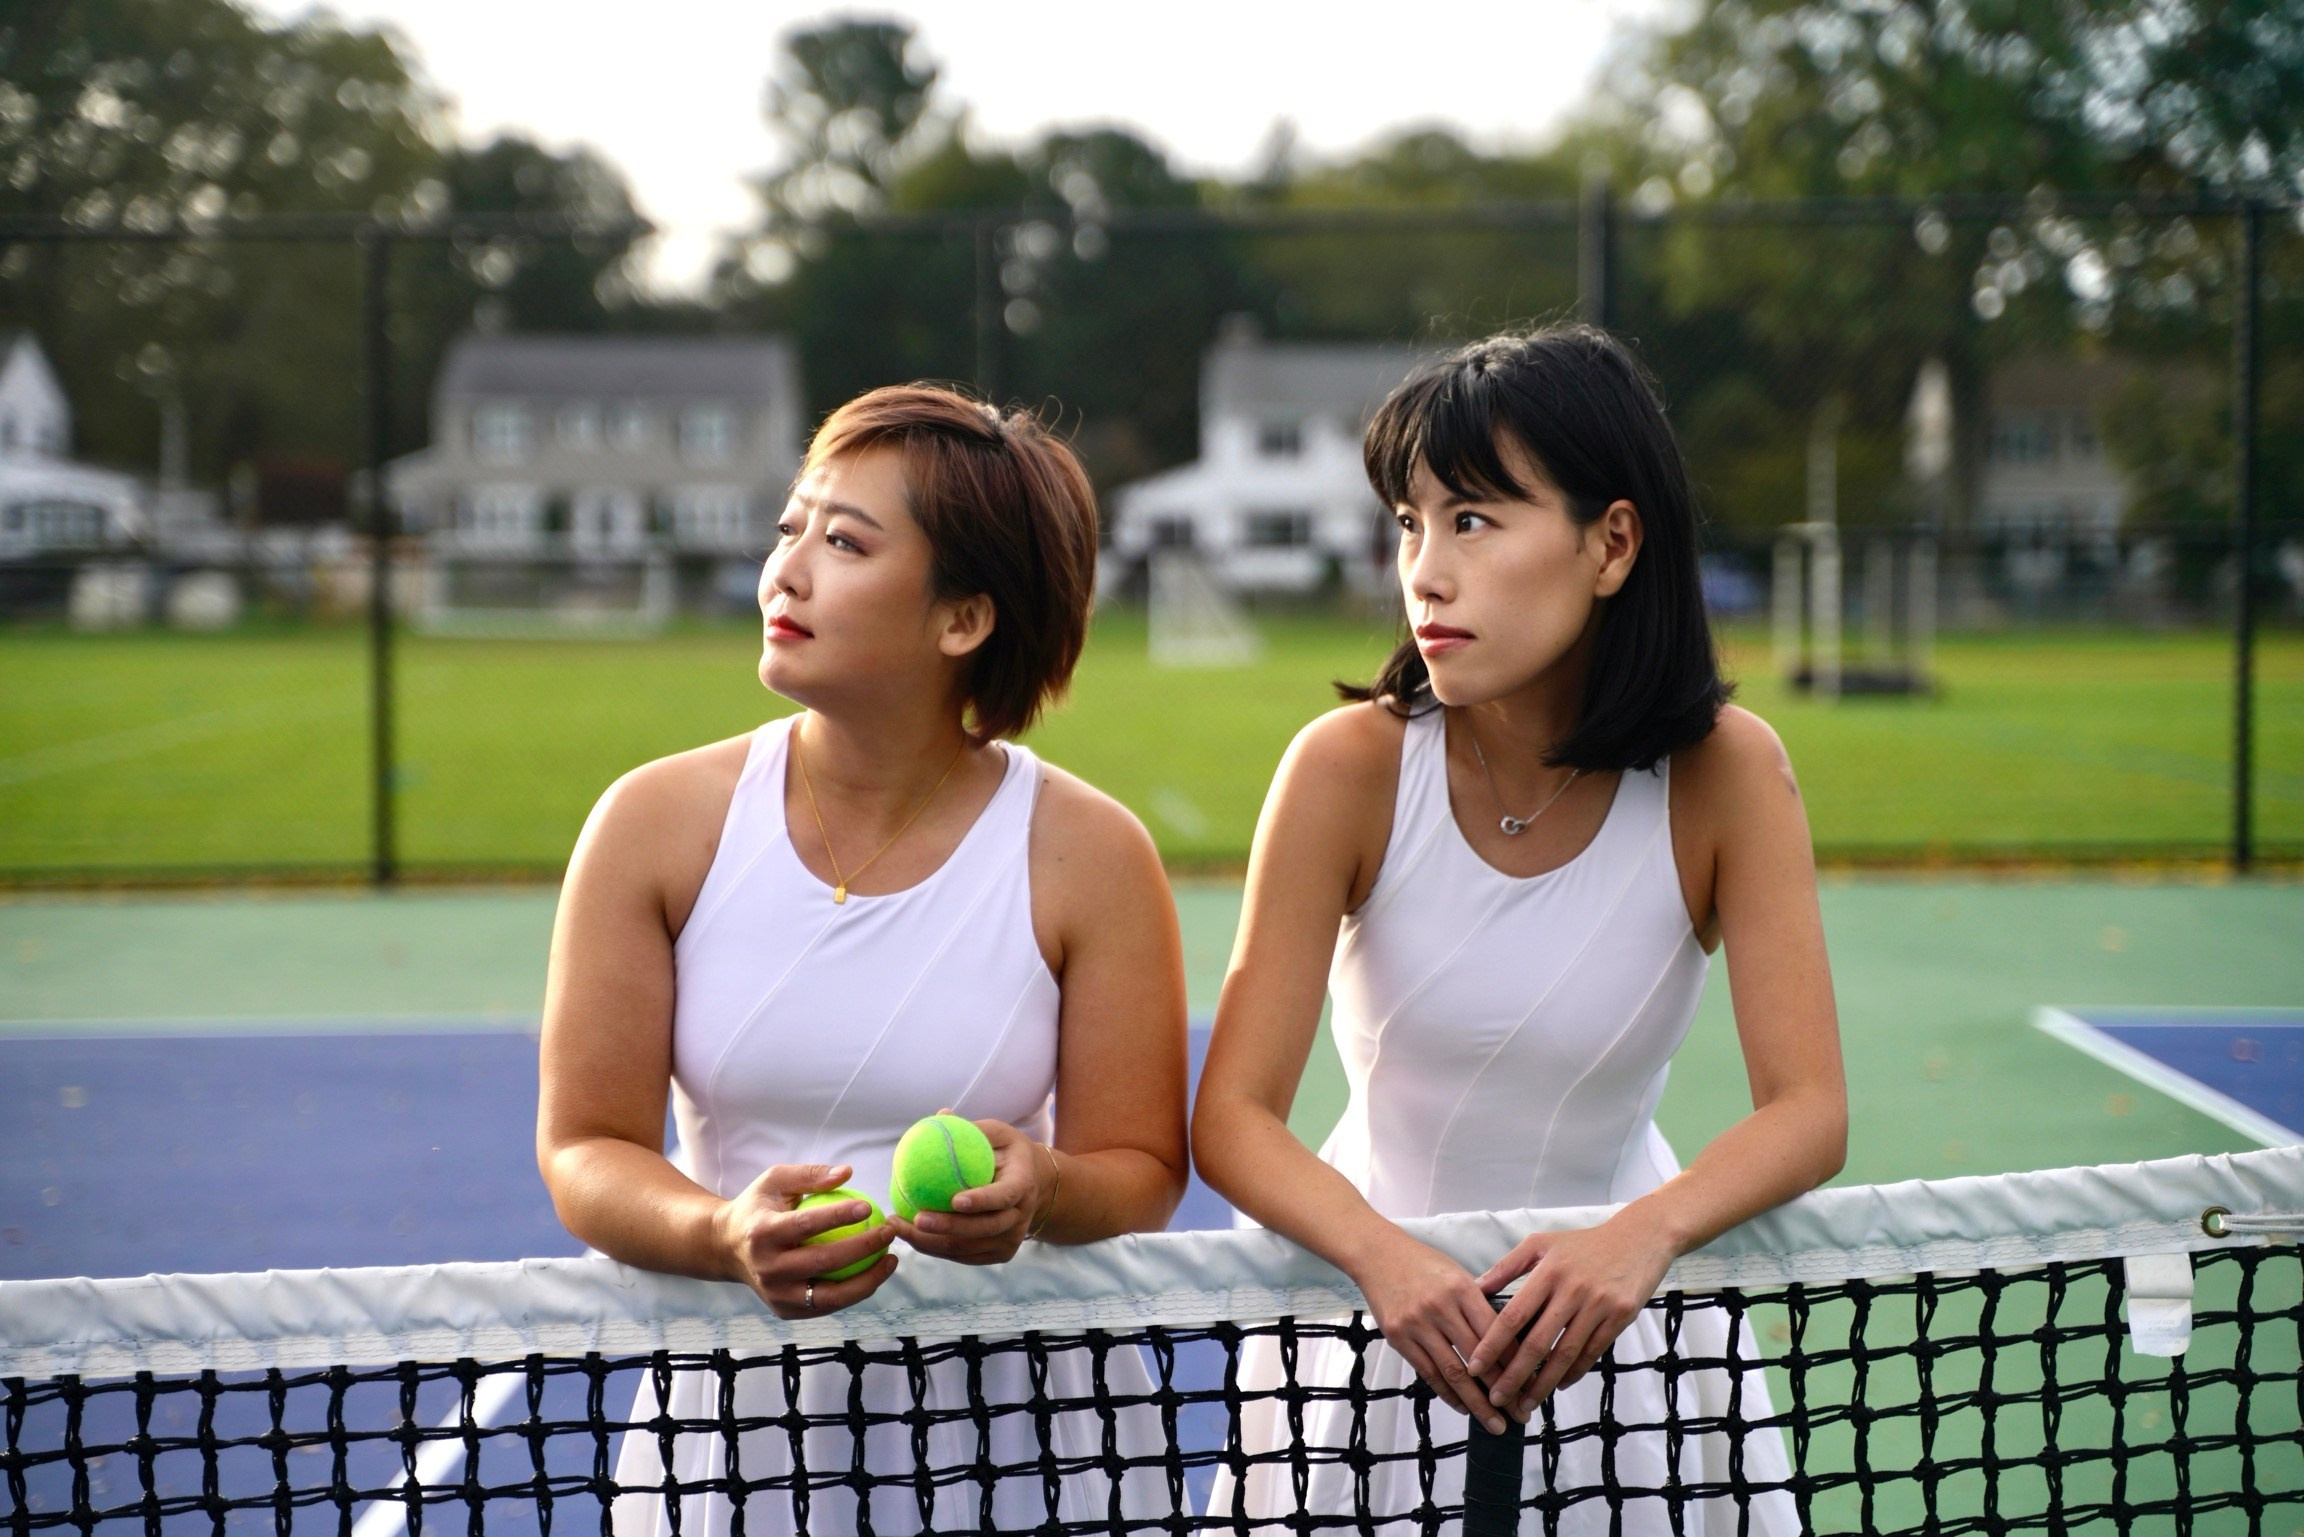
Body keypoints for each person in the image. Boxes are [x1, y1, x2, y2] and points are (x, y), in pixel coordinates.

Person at [1190, 325, 1846, 1534]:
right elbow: (1230, 1116)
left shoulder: (1729, 772)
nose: (1425, 572)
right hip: (1374, 1333)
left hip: (1631, 1343)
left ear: (1613, 544)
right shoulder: (1344, 768)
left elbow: (1809, 1108)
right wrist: (1383, 1257)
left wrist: (1640, 1238)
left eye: (1474, 521)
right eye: (1410, 523)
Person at [535, 385, 1190, 1535]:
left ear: (963, 619)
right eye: (790, 527)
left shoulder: (1094, 852)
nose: (784, 571)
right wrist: (721, 1235)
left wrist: (1044, 1188)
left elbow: (1142, 1167)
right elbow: (585, 1146)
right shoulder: (650, 824)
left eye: (843, 543)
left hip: (1032, 1440)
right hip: (739, 1445)